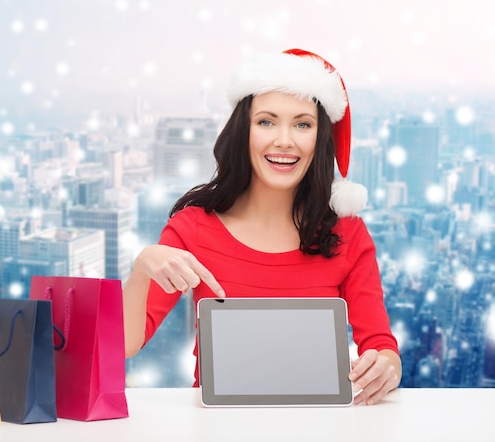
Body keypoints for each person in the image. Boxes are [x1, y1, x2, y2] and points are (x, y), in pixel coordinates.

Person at [123, 48, 402, 406]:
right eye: (266, 121)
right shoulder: (191, 228)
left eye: (302, 124)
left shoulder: (348, 234)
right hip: (216, 429)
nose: (284, 140)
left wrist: (385, 369)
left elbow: (381, 347)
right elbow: (126, 343)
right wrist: (143, 265)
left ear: (320, 139)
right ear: (244, 131)